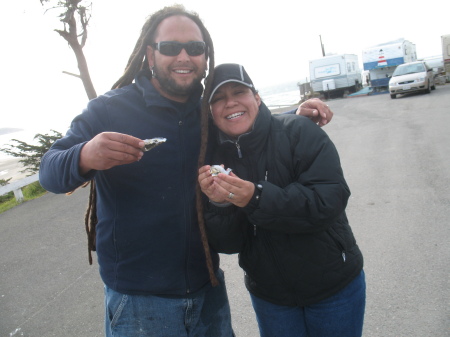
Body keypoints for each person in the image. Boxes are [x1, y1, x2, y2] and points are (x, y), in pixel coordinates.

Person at [39, 5, 333, 337]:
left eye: (195, 48)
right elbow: (49, 172)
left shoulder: (210, 108)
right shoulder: (108, 109)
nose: (184, 56)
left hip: (207, 288)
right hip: (139, 303)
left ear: (206, 57)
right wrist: (85, 154)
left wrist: (294, 114)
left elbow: (246, 123)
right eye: (170, 47)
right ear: (150, 53)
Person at [198, 63, 365, 337]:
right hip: (271, 298)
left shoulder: (299, 130)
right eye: (217, 98)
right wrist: (220, 204)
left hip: (334, 288)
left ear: (257, 97)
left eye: (239, 92)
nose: (230, 103)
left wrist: (256, 197)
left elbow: (328, 201)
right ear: (210, 111)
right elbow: (229, 244)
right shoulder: (214, 162)